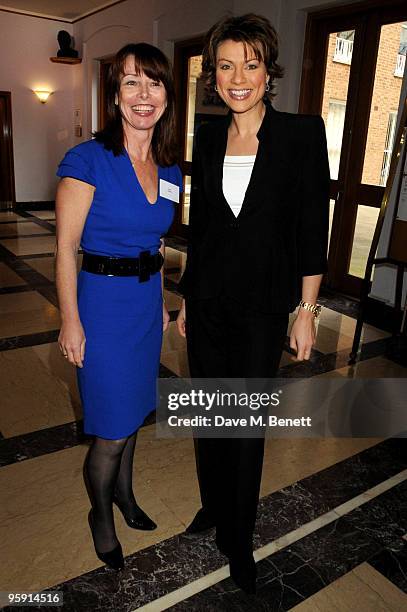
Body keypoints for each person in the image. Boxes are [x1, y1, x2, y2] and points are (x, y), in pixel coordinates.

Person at [176, 14, 330, 594]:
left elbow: (314, 228)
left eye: (251, 64)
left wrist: (307, 309)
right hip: (210, 300)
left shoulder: (301, 134)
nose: (238, 77)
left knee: (245, 427)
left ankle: (239, 535)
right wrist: (188, 298)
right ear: (213, 76)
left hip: (265, 308)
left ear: (269, 73)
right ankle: (214, 506)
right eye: (225, 65)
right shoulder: (210, 135)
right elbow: (205, 228)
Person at [56, 43, 182, 571]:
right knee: (110, 430)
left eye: (153, 83)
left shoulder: (171, 168)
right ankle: (100, 517)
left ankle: (126, 498)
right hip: (102, 308)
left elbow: (155, 248)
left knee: (133, 417)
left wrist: (160, 308)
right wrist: (70, 320)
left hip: (141, 309)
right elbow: (65, 246)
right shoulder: (87, 159)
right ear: (115, 95)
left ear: (166, 95)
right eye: (131, 82)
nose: (143, 94)